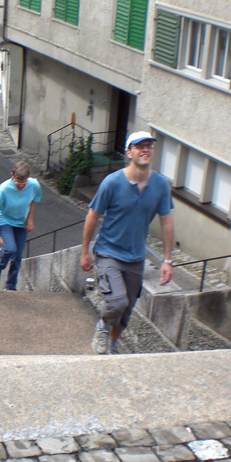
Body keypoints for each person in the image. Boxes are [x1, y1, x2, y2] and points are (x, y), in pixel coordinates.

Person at [81, 131, 174, 355]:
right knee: (117, 302)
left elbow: (167, 222)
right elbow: (93, 215)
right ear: (129, 152)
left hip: (136, 257)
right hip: (108, 252)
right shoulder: (112, 182)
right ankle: (103, 326)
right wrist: (85, 251)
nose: (145, 149)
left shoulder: (160, 185)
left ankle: (112, 345)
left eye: (149, 145)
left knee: (127, 310)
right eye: (139, 146)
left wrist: (167, 260)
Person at [0, 161, 42, 291]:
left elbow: (34, 200)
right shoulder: (4, 189)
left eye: (24, 183)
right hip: (5, 220)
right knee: (10, 249)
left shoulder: (34, 185)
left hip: (21, 222)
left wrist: (30, 218)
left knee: (18, 256)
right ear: (12, 175)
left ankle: (11, 286)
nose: (21, 186)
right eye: (18, 183)